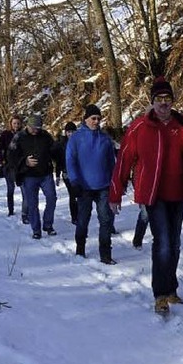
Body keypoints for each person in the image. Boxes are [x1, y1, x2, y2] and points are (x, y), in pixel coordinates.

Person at [109, 77, 183, 314]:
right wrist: (115, 193)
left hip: (178, 194)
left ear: (172, 101)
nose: (163, 104)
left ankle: (171, 290)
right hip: (154, 195)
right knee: (163, 244)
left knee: (175, 243)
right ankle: (160, 293)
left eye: (167, 99)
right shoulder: (140, 127)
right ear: (152, 102)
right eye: (159, 99)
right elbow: (124, 159)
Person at [66, 105, 116, 263]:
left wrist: (115, 182)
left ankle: (106, 254)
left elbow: (111, 163)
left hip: (103, 186)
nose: (96, 121)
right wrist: (74, 181)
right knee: (83, 219)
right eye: (93, 118)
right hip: (83, 187)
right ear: (85, 119)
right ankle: (80, 248)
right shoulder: (76, 138)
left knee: (106, 220)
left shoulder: (105, 139)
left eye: (98, 118)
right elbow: (70, 160)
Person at [11, 114, 57, 239]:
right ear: (28, 126)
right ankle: (36, 229)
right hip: (28, 175)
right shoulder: (19, 137)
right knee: (32, 203)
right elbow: (12, 156)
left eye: (38, 128)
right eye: (33, 128)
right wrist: (24, 161)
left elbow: (54, 151)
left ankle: (48, 224)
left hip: (45, 173)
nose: (36, 130)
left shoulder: (45, 135)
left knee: (52, 198)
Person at [0, 115, 28, 221]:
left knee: (24, 189)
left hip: (21, 166)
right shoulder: (5, 134)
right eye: (14, 123)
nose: (16, 125)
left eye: (18, 123)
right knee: (10, 189)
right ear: (11, 124)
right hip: (8, 166)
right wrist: (0, 161)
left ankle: (25, 213)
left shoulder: (24, 134)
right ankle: (10, 209)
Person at [53, 121, 78, 224]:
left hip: (78, 172)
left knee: (79, 194)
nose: (70, 134)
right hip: (66, 172)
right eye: (68, 132)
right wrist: (58, 175)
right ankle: (74, 217)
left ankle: (79, 214)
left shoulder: (79, 143)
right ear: (65, 133)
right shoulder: (61, 144)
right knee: (73, 194)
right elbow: (59, 161)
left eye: (72, 132)